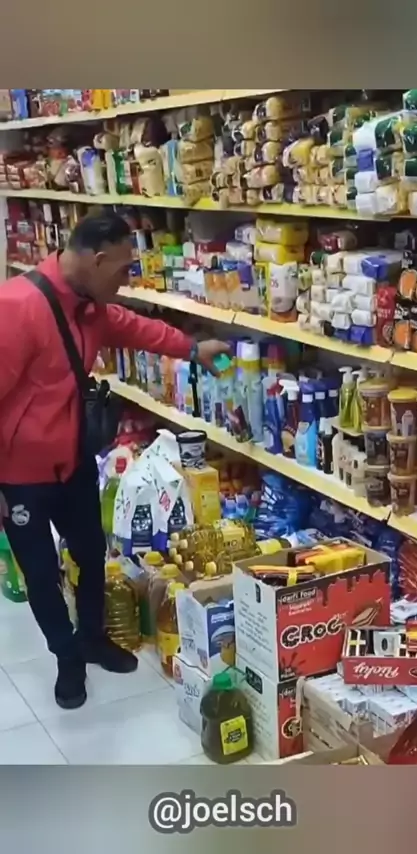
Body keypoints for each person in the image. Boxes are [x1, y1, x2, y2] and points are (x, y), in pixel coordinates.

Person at [0, 211, 230, 710]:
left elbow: (133, 328)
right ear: (98, 259)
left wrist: (193, 349)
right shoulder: (17, 308)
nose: (126, 280)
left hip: (74, 461)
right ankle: (66, 659)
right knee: (41, 573)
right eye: (124, 269)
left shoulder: (89, 305)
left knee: (91, 553)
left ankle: (91, 637)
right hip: (20, 477)